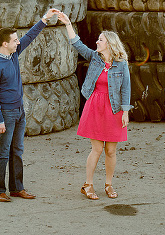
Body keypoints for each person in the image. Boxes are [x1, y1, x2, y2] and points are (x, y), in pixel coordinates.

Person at [0, 7, 61, 203]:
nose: (18, 42)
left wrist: (44, 19)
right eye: (14, 40)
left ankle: (17, 188)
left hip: (19, 111)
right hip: (6, 114)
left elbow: (29, 37)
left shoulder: (13, 54)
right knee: (3, 151)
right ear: (4, 44)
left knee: (17, 150)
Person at [57, 11, 132, 200]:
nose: (97, 42)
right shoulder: (95, 58)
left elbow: (126, 88)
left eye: (100, 40)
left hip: (114, 109)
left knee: (111, 150)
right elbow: (77, 44)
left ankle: (108, 184)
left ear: (109, 44)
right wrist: (67, 24)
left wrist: (125, 111)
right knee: (97, 149)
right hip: (95, 106)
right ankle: (88, 185)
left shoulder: (121, 64)